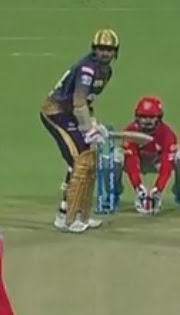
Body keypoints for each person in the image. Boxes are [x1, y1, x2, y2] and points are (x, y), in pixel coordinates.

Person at [40, 29, 120, 233]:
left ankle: (82, 214)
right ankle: (68, 219)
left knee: (89, 159)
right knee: (81, 160)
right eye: (101, 49)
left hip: (71, 114)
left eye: (109, 49)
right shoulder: (88, 69)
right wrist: (88, 128)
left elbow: (88, 101)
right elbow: (78, 101)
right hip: (56, 112)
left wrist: (93, 124)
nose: (105, 53)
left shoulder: (106, 71)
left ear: (115, 52)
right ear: (94, 49)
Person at [116, 96, 180, 214]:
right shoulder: (130, 131)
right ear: (137, 117)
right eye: (143, 117)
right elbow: (131, 159)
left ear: (159, 117)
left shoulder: (167, 134)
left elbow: (167, 164)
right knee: (114, 157)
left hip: (157, 162)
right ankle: (113, 194)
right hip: (137, 162)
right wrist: (138, 187)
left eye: (151, 117)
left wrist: (158, 189)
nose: (147, 121)